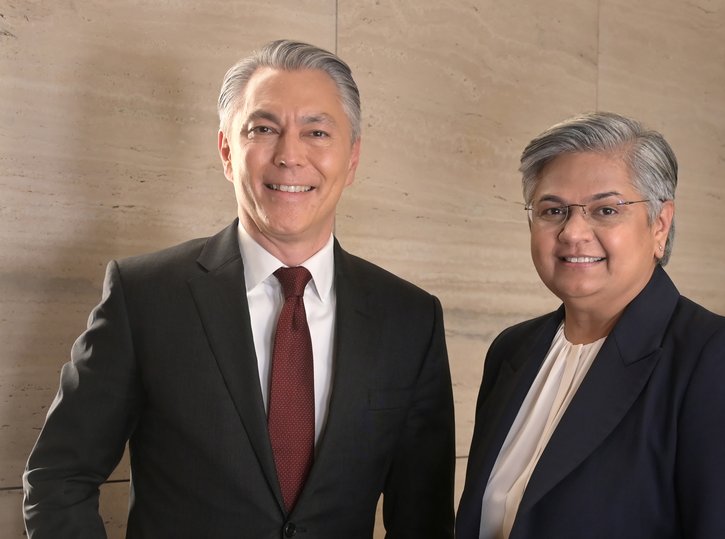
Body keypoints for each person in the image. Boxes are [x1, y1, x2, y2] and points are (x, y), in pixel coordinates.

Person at [23, 40, 455, 538]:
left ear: (352, 158)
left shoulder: (409, 319)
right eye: (263, 129)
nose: (290, 156)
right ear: (227, 151)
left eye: (316, 132)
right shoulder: (144, 297)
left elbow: (424, 520)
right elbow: (59, 479)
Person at [455, 112, 725, 539]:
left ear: (660, 225)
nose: (573, 232)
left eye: (606, 210)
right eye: (553, 210)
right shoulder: (511, 350)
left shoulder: (718, 357)